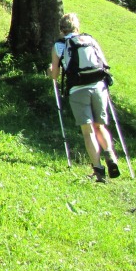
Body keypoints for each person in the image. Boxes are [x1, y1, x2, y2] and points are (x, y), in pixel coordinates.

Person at [49, 12, 121, 182]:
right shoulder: (90, 40)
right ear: (77, 27)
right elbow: (104, 64)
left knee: (88, 131)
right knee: (100, 127)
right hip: (98, 87)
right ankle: (111, 156)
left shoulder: (59, 46)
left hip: (78, 90)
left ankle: (98, 170)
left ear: (61, 29)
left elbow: (54, 75)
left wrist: (49, 69)